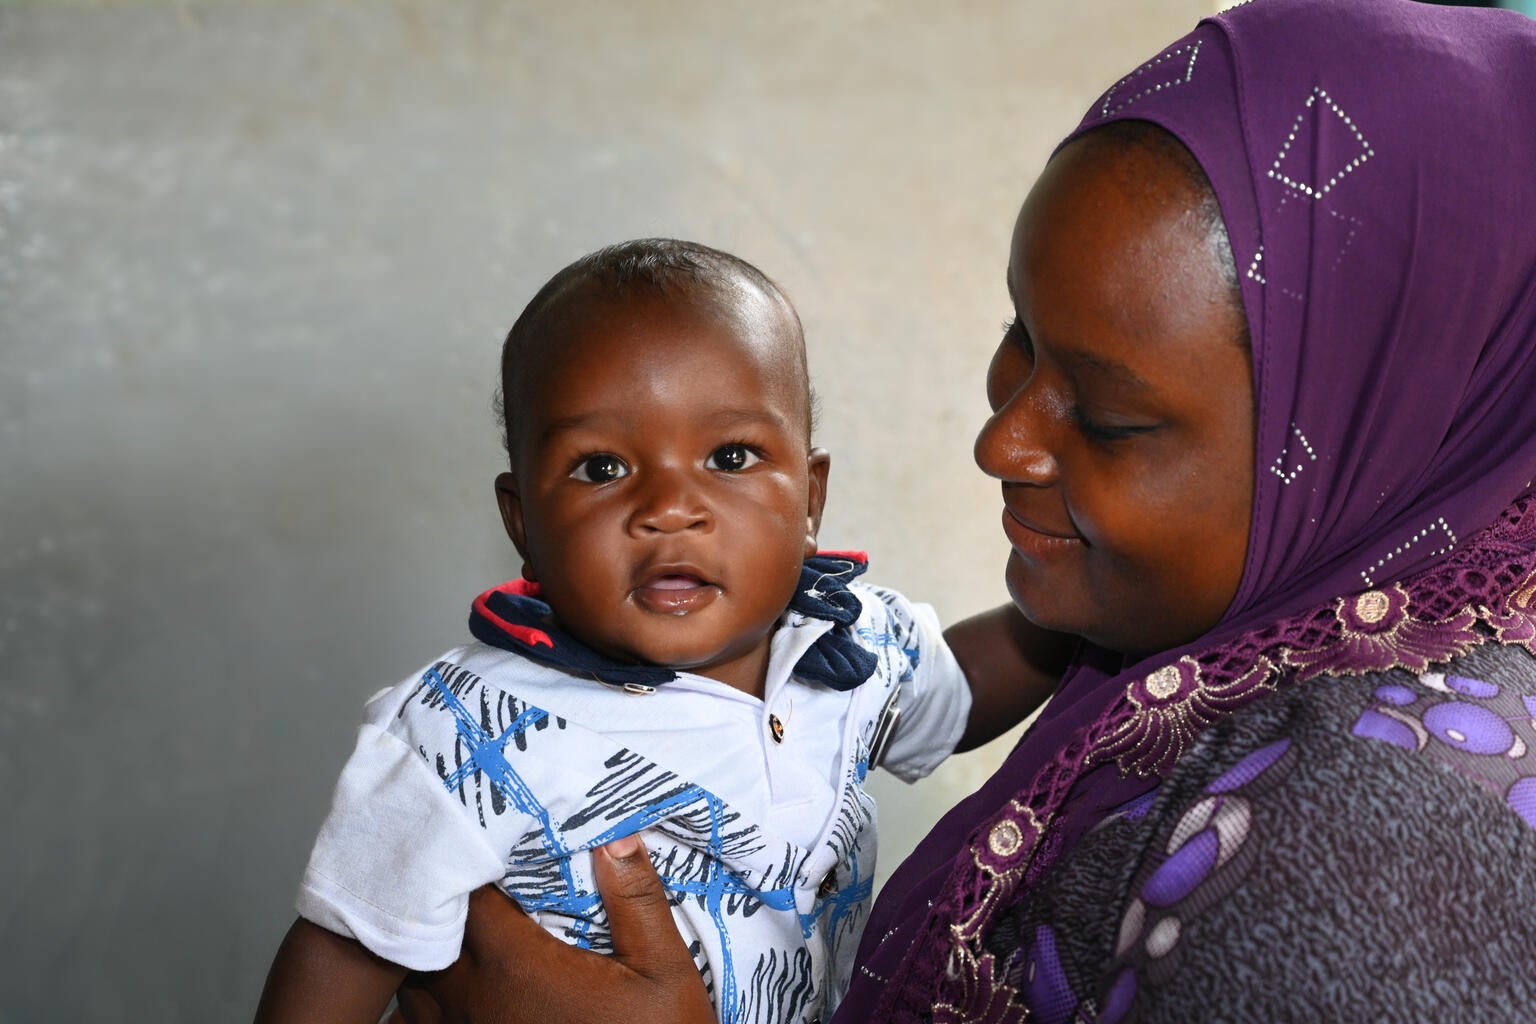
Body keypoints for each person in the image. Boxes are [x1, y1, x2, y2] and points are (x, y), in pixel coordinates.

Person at [387, 1, 1536, 1021]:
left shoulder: (1375, 877)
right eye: (1018, 335)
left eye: (1110, 419)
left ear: (1378, 425)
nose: (1000, 442)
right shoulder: (1184, 659)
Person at [253, 239, 1068, 1024]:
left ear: (810, 500)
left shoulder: (848, 646)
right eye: (602, 468)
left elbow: (963, 686)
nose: (669, 508)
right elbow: (342, 957)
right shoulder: (462, 732)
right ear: (523, 522)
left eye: (731, 457)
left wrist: (1087, 610)